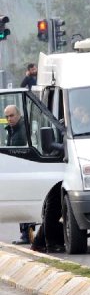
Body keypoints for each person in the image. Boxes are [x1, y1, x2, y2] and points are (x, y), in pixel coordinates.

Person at [4, 105, 32, 245]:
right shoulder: (13, 130)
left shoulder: (21, 130)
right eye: (7, 116)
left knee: (24, 204)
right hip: (18, 171)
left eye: (12, 115)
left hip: (23, 171)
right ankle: (26, 233)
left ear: (19, 114)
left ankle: (26, 234)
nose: (9, 119)